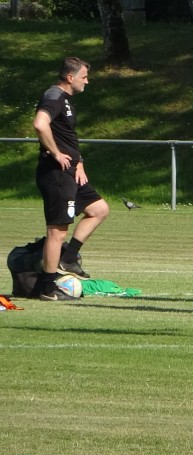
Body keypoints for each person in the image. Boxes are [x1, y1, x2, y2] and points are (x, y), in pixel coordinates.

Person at [32, 56, 110, 300]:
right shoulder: (54, 96)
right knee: (57, 231)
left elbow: (67, 135)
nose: (87, 81)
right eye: (84, 77)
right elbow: (40, 124)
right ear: (70, 77)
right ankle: (46, 287)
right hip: (56, 174)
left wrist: (79, 162)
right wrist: (56, 153)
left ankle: (68, 257)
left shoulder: (66, 100)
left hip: (72, 172)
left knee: (99, 209)